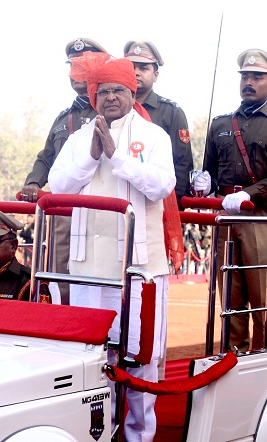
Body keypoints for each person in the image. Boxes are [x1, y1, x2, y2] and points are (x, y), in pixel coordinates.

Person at [49, 57, 176, 442]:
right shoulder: (77, 139)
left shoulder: (154, 137)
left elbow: (162, 186)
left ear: (132, 92)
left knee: (140, 357)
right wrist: (91, 155)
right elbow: (59, 186)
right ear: (94, 96)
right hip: (90, 267)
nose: (110, 98)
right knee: (93, 356)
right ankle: (97, 435)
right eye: (103, 91)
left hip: (140, 268)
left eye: (118, 90)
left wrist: (117, 157)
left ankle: (139, 436)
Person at [192, 48, 267, 352]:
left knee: (262, 292)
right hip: (225, 218)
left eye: (257, 77)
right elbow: (211, 172)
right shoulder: (220, 124)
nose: (249, 82)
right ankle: (233, 354)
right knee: (229, 293)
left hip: (260, 216)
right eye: (245, 77)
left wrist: (249, 194)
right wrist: (204, 184)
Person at [20, 38, 109, 304]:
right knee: (60, 272)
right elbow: (46, 157)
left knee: (96, 276)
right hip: (63, 210)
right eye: (71, 66)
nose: (74, 73)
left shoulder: (110, 110)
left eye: (82, 66)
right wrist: (34, 182)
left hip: (97, 208)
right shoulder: (63, 118)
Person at [123, 40, 193, 208]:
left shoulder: (171, 112)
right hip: (120, 197)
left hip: (158, 202)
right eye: (131, 67)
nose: (136, 73)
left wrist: (173, 205)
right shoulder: (114, 108)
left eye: (144, 68)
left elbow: (182, 163)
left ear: (156, 75)